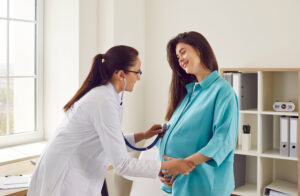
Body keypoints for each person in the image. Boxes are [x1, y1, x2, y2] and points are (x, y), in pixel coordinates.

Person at [27, 45, 195, 196]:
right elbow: (122, 164)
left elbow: (109, 141)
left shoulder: (107, 97)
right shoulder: (103, 101)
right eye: (137, 72)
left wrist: (143, 135)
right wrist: (168, 166)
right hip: (63, 178)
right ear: (120, 74)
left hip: (72, 171)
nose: (139, 78)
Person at [157, 31, 239, 196]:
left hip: (205, 186)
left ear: (199, 50)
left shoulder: (223, 91)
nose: (180, 59)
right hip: (183, 184)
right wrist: (168, 169)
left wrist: (184, 163)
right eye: (177, 57)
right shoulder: (190, 93)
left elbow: (223, 140)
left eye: (183, 52)